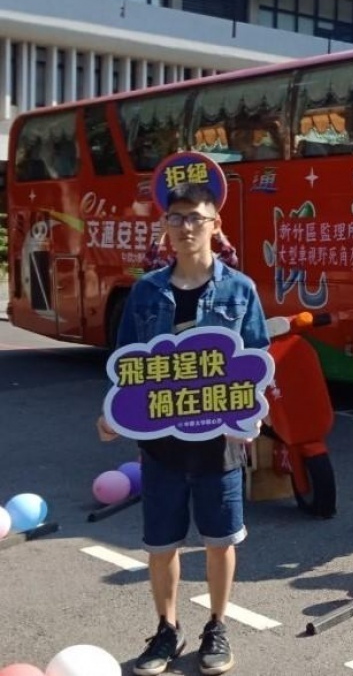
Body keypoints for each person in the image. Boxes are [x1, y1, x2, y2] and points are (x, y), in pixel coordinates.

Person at [97, 183, 268, 676]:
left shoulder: (240, 289)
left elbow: (256, 359)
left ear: (215, 225)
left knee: (220, 539)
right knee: (161, 543)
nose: (187, 227)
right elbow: (124, 364)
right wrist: (112, 414)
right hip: (160, 443)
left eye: (196, 218)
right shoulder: (147, 291)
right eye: (177, 219)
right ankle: (167, 629)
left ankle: (217, 624)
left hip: (219, 441)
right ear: (166, 227)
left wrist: (253, 415)